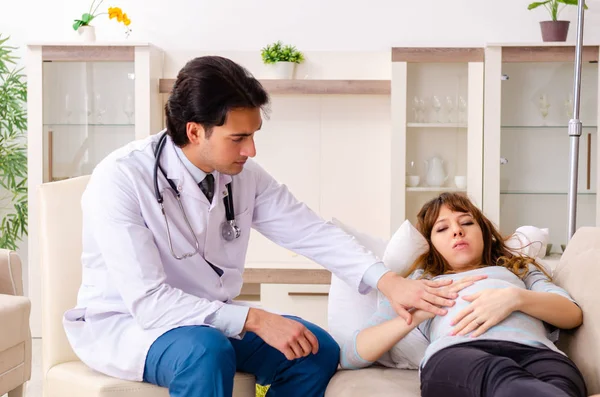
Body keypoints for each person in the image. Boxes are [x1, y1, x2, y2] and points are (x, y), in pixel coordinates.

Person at [62, 56, 459, 397]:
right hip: (131, 325)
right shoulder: (121, 179)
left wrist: (389, 282)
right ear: (195, 130)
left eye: (252, 136)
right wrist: (254, 319)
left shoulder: (241, 175)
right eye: (239, 138)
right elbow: (149, 301)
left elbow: (310, 231)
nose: (251, 151)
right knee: (205, 350)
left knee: (315, 349)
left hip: (213, 320)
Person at [340, 192, 588, 397]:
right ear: (430, 245)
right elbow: (352, 354)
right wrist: (418, 314)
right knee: (499, 375)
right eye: (442, 228)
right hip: (459, 355)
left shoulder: (518, 270)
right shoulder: (419, 283)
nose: (457, 231)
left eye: (467, 222)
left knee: (561, 385)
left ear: (484, 233)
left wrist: (515, 298)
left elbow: (572, 314)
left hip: (538, 354)